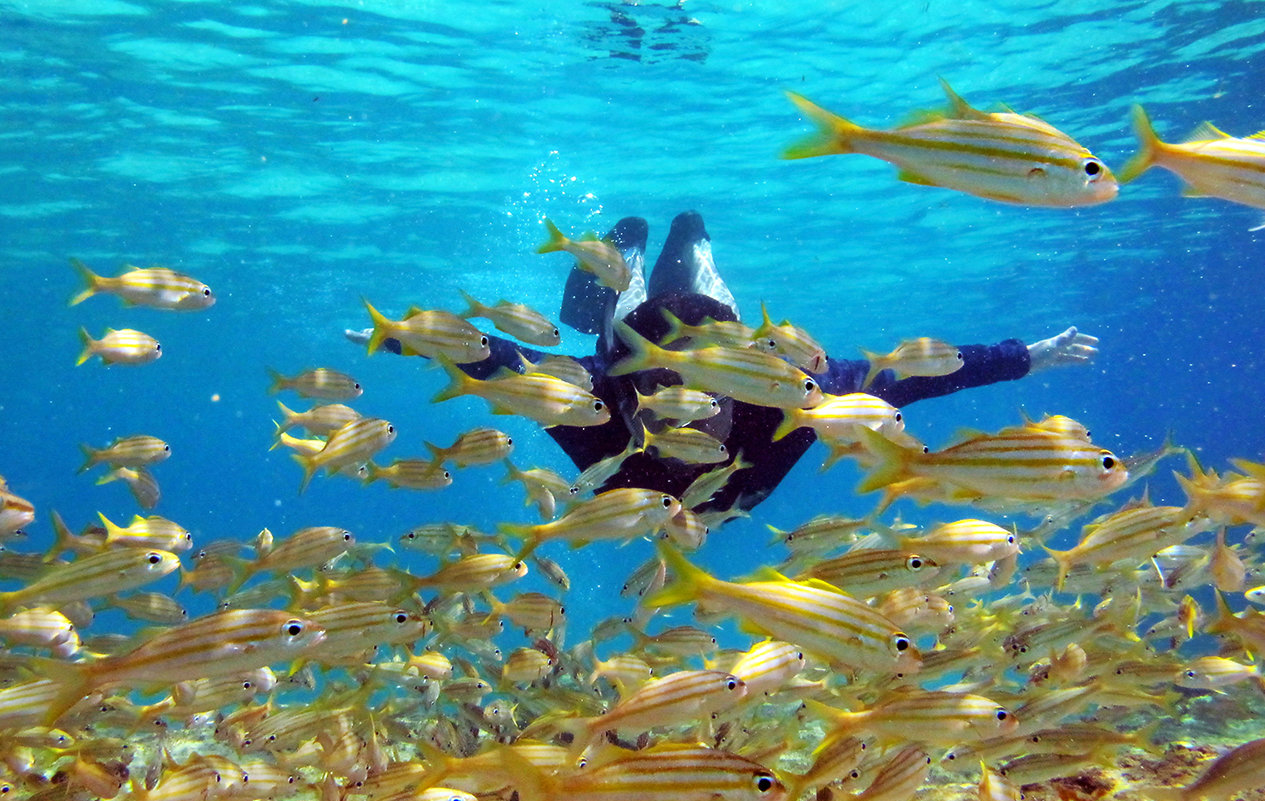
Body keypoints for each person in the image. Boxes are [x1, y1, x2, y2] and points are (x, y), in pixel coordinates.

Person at [350, 211, 1096, 516]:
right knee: (617, 303)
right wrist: (404, 335)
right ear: (629, 382)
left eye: (711, 381)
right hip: (622, 333)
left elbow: (904, 377)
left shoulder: (794, 394)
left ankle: (689, 237)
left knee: (695, 278)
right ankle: (632, 251)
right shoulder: (599, 406)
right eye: (661, 383)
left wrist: (1020, 360)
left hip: (730, 329)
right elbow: (503, 359)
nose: (688, 400)